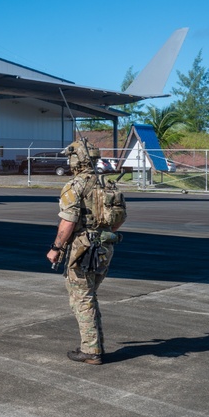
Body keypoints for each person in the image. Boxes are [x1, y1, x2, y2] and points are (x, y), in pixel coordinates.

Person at [46, 138, 126, 365]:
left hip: (83, 249)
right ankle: (95, 345)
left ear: (76, 160)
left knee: (81, 298)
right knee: (89, 296)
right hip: (104, 247)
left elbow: (68, 222)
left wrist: (56, 248)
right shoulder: (107, 185)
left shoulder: (75, 186)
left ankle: (91, 351)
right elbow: (119, 218)